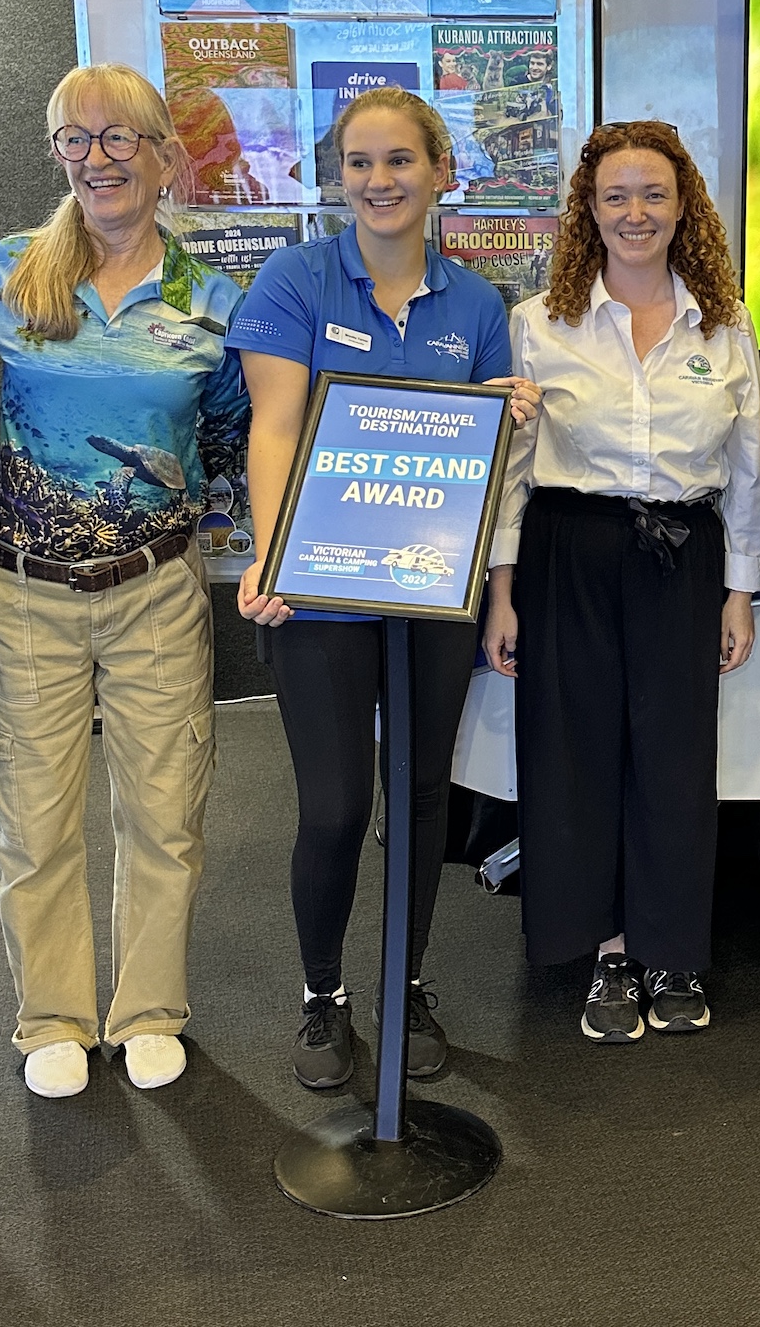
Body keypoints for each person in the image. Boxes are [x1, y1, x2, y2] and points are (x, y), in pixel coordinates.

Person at [0, 64, 248, 1100]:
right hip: (24, 587)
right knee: (33, 816)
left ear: (164, 156)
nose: (97, 159)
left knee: (166, 809)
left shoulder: (208, 299)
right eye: (74, 139)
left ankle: (150, 1009)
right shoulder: (7, 273)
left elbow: (233, 433)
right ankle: (54, 1017)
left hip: (156, 586)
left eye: (120, 138)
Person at [232, 87, 536, 1089]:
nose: (379, 180)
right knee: (332, 807)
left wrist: (506, 421)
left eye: (400, 159)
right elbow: (274, 426)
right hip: (318, 595)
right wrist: (272, 554)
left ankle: (405, 981)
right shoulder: (296, 279)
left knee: (419, 797)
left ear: (440, 171)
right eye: (359, 162)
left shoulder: (477, 306)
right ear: (337, 177)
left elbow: (486, 467)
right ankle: (323, 995)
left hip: (432, 595)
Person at [482, 119, 760, 1044]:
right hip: (568, 551)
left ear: (684, 207)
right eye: (616, 196)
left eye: (654, 194)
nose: (635, 213)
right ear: (589, 211)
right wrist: (502, 591)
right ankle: (605, 950)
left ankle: (672, 951)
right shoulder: (539, 323)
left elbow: (748, 466)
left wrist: (739, 589)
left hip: (684, 554)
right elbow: (512, 471)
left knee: (675, 761)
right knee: (576, 755)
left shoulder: (724, 323)